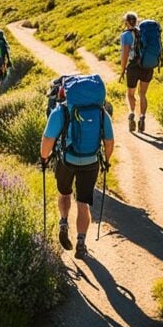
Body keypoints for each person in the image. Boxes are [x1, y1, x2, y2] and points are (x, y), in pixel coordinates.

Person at [39, 81, 114, 259]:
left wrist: (43, 158)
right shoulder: (101, 113)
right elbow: (109, 142)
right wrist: (106, 161)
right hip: (91, 162)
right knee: (83, 203)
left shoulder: (61, 111)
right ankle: (81, 242)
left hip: (66, 161)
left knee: (64, 194)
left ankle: (64, 222)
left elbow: (46, 143)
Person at [119, 11, 152, 132]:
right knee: (142, 94)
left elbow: (125, 54)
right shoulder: (144, 32)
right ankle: (142, 118)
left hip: (133, 67)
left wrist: (123, 70)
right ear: (137, 21)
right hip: (147, 66)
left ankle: (132, 114)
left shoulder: (125, 35)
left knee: (130, 94)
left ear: (126, 22)